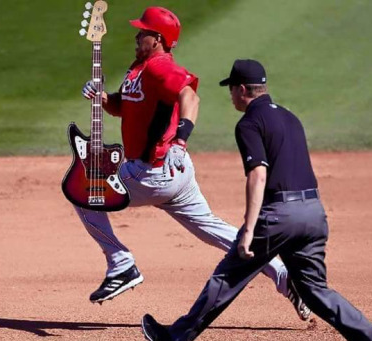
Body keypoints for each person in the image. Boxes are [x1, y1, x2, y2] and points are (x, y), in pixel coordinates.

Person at [141, 59, 372, 341]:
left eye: (231, 90)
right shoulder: (290, 117)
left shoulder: (249, 123)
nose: (231, 96)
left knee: (227, 277)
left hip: (279, 216)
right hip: (313, 213)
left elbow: (258, 173)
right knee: (314, 290)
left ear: (242, 90)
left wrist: (249, 229)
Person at [79, 7, 309, 321]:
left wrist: (180, 139)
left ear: (158, 39)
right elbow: (124, 107)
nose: (137, 36)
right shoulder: (140, 67)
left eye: (143, 32)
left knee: (86, 191)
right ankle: (284, 275)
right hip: (174, 172)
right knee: (210, 228)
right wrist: (103, 98)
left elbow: (190, 97)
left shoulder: (160, 66)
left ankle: (121, 264)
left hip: (153, 171)